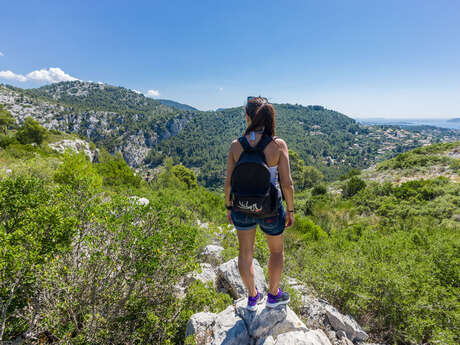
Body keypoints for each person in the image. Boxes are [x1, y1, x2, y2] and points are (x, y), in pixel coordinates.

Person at [224, 96, 295, 310]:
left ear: (247, 116)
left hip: (242, 207)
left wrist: (229, 207)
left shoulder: (236, 146)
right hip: (271, 208)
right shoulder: (277, 144)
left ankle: (253, 298)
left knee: (245, 253)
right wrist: (290, 210)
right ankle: (273, 295)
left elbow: (228, 183)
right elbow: (288, 184)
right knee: (275, 252)